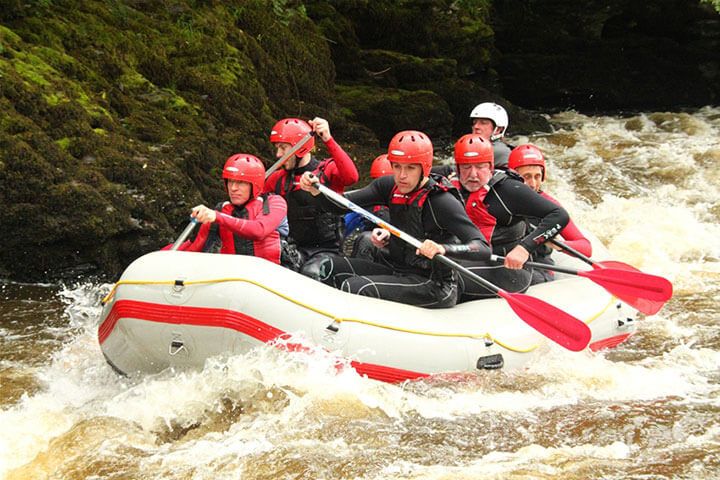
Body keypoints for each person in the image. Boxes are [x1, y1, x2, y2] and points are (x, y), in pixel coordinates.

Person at [298, 130, 492, 309]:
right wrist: (317, 192)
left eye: (410, 168)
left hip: (435, 284)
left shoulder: (441, 201)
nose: (402, 175)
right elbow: (341, 205)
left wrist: (443, 249)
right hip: (398, 270)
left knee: (355, 287)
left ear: (424, 168)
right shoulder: (388, 186)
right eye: (396, 167)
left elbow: (482, 247)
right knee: (328, 267)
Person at [435, 134, 570, 299]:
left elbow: (559, 215)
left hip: (507, 269)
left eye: (480, 167)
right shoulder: (449, 177)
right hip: (468, 257)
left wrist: (525, 248)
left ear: (491, 166)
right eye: (466, 167)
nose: (473, 175)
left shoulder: (509, 189)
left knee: (442, 278)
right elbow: (413, 171)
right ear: (457, 167)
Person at [265, 117, 359, 272]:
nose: (278, 154)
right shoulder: (277, 179)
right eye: (277, 148)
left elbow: (351, 177)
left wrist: (328, 139)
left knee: (311, 272)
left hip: (328, 251)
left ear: (300, 148)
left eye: (283, 148)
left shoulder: (326, 170)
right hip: (294, 248)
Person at [172, 154, 288, 264]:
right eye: (230, 182)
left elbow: (259, 230)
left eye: (240, 183)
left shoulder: (275, 203)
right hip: (235, 276)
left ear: (255, 185)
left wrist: (218, 217)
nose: (233, 188)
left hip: (272, 276)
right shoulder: (221, 210)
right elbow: (193, 247)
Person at [508, 143, 592, 282]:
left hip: (539, 269)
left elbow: (586, 248)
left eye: (537, 176)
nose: (533, 184)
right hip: (508, 264)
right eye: (527, 176)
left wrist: (556, 244)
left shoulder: (550, 206)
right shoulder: (500, 197)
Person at [341, 154, 392, 258]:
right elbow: (345, 224)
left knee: (366, 239)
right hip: (374, 248)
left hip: (397, 251)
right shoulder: (368, 202)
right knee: (365, 240)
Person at [469, 102, 512, 169]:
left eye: (483, 123)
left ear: (498, 130)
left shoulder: (498, 151)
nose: (476, 126)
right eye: (474, 123)